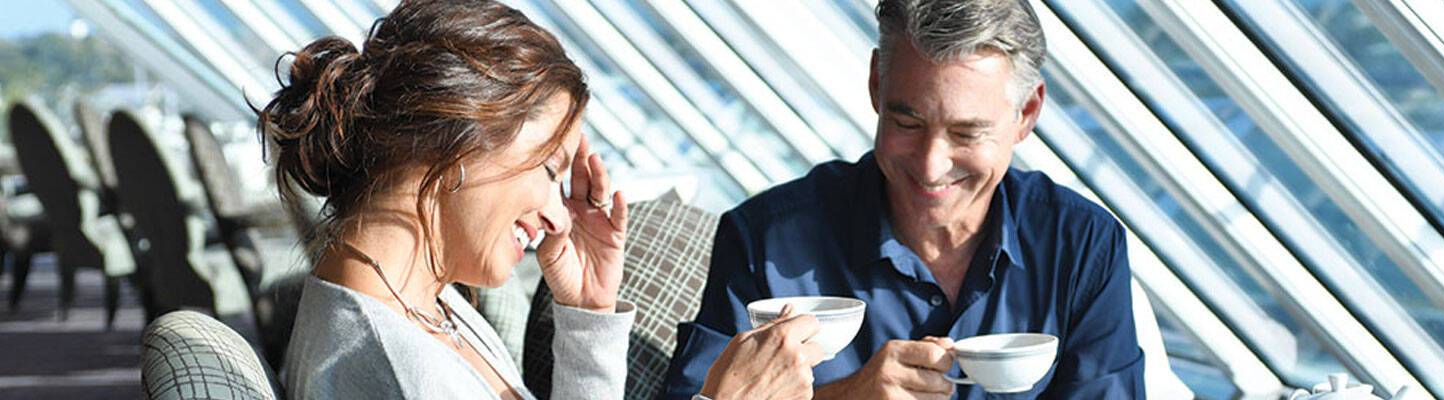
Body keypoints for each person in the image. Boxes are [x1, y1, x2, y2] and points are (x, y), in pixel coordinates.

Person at [259, 1, 825, 398]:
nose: (559, 215)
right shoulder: (386, 367)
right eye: (551, 170)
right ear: (457, 145)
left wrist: (586, 314)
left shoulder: (426, 308)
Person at [662, 0, 1145, 398]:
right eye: (908, 123)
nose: (932, 166)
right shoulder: (765, 240)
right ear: (877, 84)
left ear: (1027, 113)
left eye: (965, 133)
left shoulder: (1081, 244)